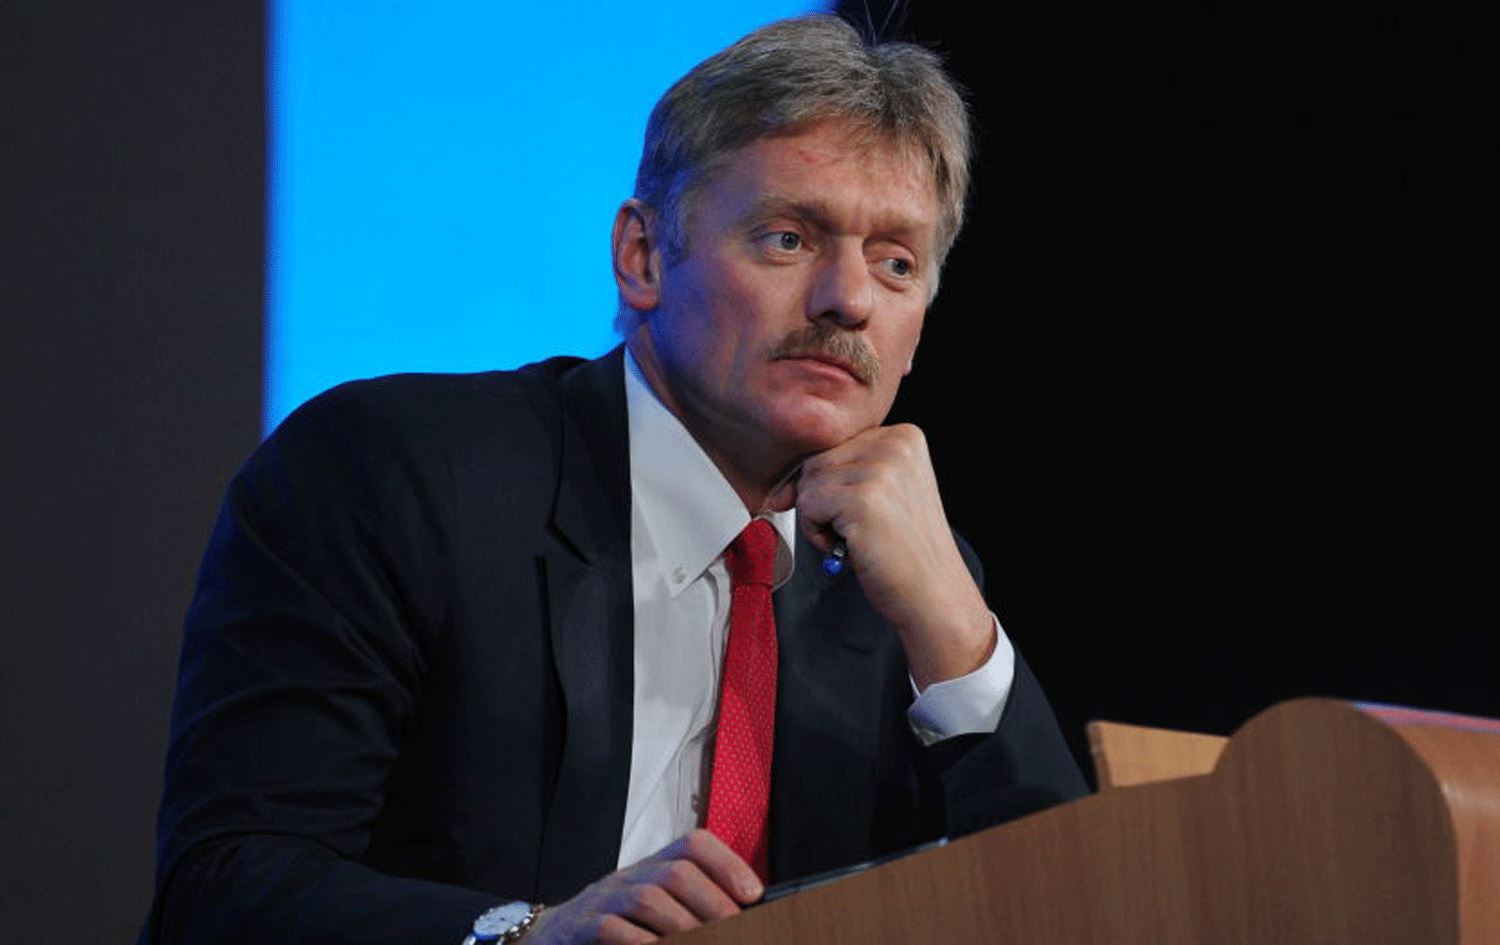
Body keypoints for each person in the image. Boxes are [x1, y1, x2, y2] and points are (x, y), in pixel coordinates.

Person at [142, 15, 1085, 945]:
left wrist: (959, 634)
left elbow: (1079, 910)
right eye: (789, 239)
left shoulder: (905, 583)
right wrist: (527, 935)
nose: (848, 299)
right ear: (642, 257)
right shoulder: (392, 474)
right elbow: (224, 886)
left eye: (896, 263)